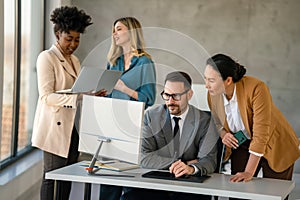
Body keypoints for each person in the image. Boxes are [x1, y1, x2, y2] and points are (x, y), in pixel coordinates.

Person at [204, 53, 300, 199]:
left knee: (274, 195)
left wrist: (249, 172)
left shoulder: (256, 88)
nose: (206, 85)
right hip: (243, 142)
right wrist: (224, 134)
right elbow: (217, 122)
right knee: (238, 191)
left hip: (274, 143)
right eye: (205, 79)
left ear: (228, 80)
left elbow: (261, 135)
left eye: (211, 80)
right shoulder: (213, 94)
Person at [122, 71, 219, 200]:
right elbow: (144, 157)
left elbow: (209, 160)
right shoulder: (151, 116)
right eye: (166, 95)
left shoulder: (205, 121)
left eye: (176, 96)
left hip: (189, 188)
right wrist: (180, 163)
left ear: (189, 94)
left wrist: (190, 168)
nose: (170, 101)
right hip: (155, 185)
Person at [31, 6, 93, 200]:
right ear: (58, 35)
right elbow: (47, 97)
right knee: (52, 176)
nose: (73, 44)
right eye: (69, 39)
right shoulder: (46, 58)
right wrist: (79, 97)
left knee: (67, 177)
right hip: (54, 127)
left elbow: (76, 90)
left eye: (77, 39)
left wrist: (90, 94)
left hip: (72, 126)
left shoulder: (74, 59)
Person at [99, 17, 156, 200]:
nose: (114, 33)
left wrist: (125, 89)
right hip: (110, 122)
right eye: (114, 30)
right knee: (107, 175)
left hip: (131, 124)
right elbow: (108, 92)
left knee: (126, 176)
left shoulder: (145, 62)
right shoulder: (113, 61)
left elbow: (149, 98)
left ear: (131, 32)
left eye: (119, 29)